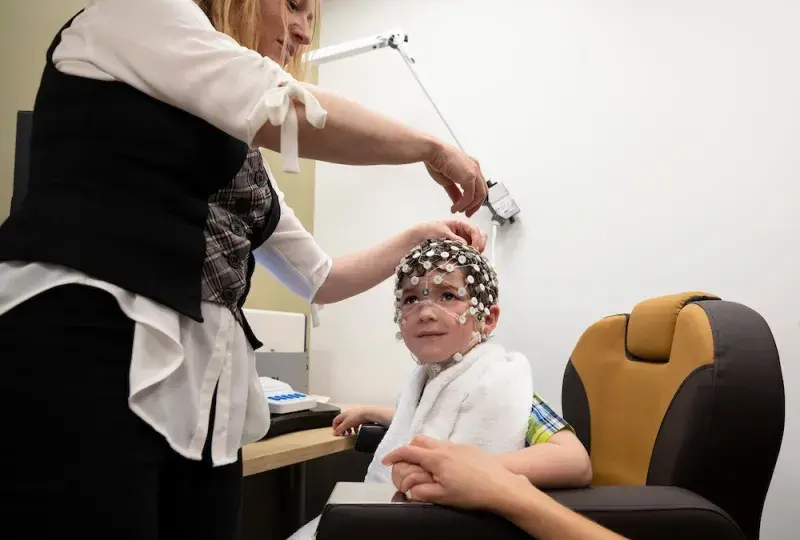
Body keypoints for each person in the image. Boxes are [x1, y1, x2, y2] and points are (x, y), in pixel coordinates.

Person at [0, 1, 489, 539]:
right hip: (89, 343)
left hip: (204, 394)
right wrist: (433, 148)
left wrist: (413, 238)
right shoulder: (139, 14)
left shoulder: (242, 160)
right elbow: (288, 107)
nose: (303, 32)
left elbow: (319, 277)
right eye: (294, 6)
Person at [287, 237, 588, 539]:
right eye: (411, 299)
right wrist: (371, 412)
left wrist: (475, 473)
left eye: (447, 295)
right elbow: (428, 418)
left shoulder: (502, 385)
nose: (426, 312)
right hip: (388, 518)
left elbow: (575, 461)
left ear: (488, 319)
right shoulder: (425, 382)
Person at [383, 436, 628, 540]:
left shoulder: (512, 386)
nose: (425, 323)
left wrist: (484, 475)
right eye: (405, 322)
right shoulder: (419, 387)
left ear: (486, 324)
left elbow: (575, 460)